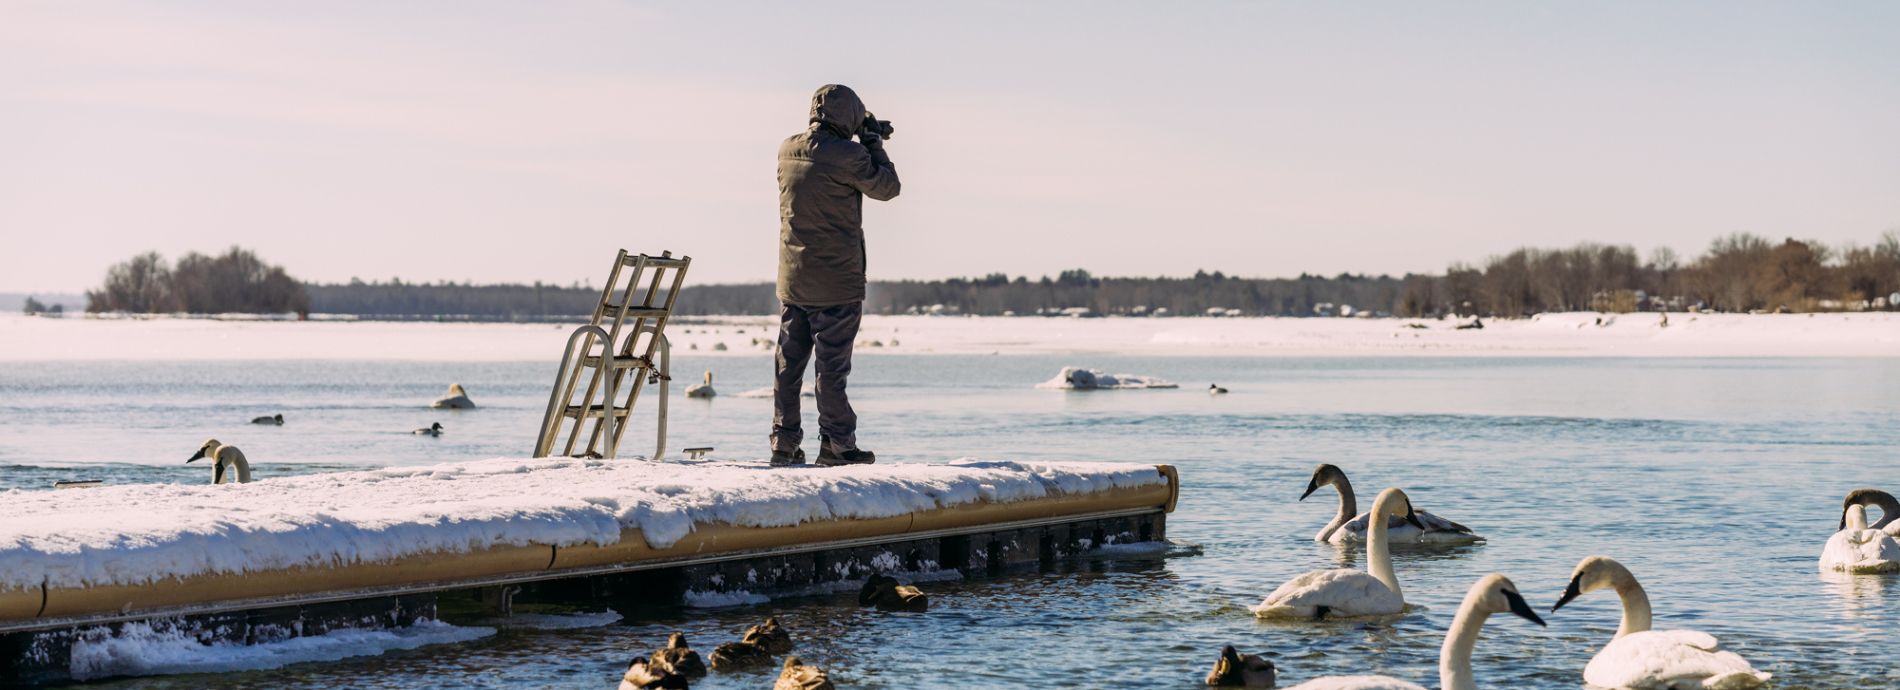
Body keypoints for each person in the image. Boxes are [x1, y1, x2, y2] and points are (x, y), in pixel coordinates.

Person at [770, 84, 900, 467]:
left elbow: (824, 155)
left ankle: (784, 443)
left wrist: (859, 132)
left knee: (788, 366)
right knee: (831, 370)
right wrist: (873, 140)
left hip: (793, 280)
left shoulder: (786, 150)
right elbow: (888, 187)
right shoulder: (851, 155)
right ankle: (838, 445)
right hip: (837, 284)